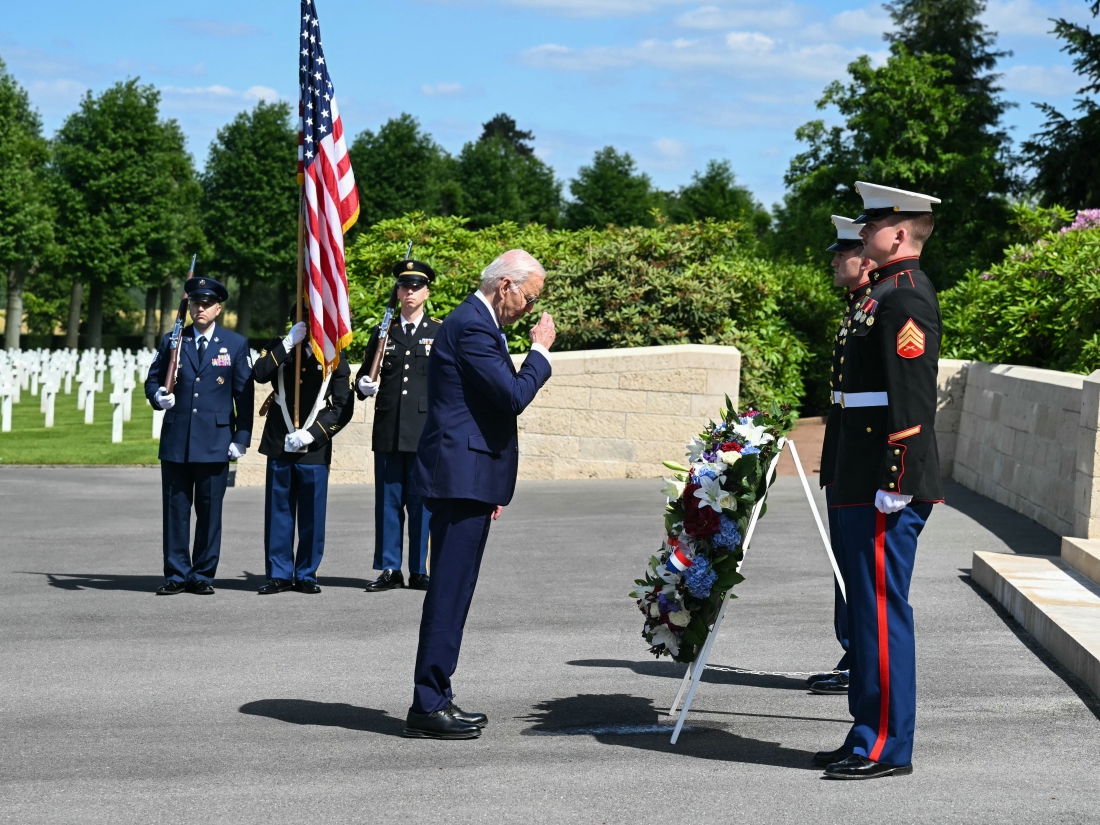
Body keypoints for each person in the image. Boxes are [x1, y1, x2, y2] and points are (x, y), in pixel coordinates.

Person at [817, 182, 943, 780]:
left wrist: (896, 480)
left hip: (882, 485)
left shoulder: (906, 297)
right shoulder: (880, 296)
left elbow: (911, 398)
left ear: (898, 234)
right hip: (859, 479)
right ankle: (865, 731)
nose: (863, 236)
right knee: (866, 615)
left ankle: (888, 745)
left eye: (872, 226)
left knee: (882, 615)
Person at [403, 249, 555, 740]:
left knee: (456, 590)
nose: (530, 309)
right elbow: (512, 395)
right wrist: (541, 353)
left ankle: (437, 696)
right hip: (459, 477)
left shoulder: (477, 323)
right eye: (529, 297)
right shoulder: (473, 325)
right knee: (448, 592)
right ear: (506, 285)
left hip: (469, 479)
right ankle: (427, 703)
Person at [144, 276, 254, 596]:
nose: (200, 308)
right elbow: (153, 381)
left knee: (209, 512)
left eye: (207, 304)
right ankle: (177, 574)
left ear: (218, 308)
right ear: (189, 306)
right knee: (176, 510)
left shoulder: (234, 344)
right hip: (178, 439)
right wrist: (158, 397)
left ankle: (203, 573)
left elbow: (243, 395)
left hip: (216, 440)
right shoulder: (173, 340)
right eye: (195, 303)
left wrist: (241, 437)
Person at [807, 216, 876, 697]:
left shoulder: (879, 307)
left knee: (859, 568)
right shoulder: (858, 307)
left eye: (843, 252)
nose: (834, 260)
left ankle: (860, 659)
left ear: (866, 260)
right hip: (845, 454)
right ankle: (853, 653)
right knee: (844, 565)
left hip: (865, 460)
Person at [251, 307, 355, 595]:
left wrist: (312, 434)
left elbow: (342, 405)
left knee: (311, 512)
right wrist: (287, 344)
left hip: (312, 446)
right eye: (304, 319)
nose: (309, 325)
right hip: (280, 441)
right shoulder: (280, 345)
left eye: (313, 320)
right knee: (279, 511)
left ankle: (307, 572)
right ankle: (280, 574)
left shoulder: (334, 355)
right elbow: (259, 374)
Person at [354, 259, 443, 593]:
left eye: (416, 287)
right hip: (389, 431)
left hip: (423, 433)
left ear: (427, 292)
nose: (409, 292)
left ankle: (419, 569)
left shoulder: (438, 331)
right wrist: (363, 385)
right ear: (398, 290)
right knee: (388, 503)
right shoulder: (382, 333)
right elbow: (364, 377)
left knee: (421, 504)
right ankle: (391, 568)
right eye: (404, 286)